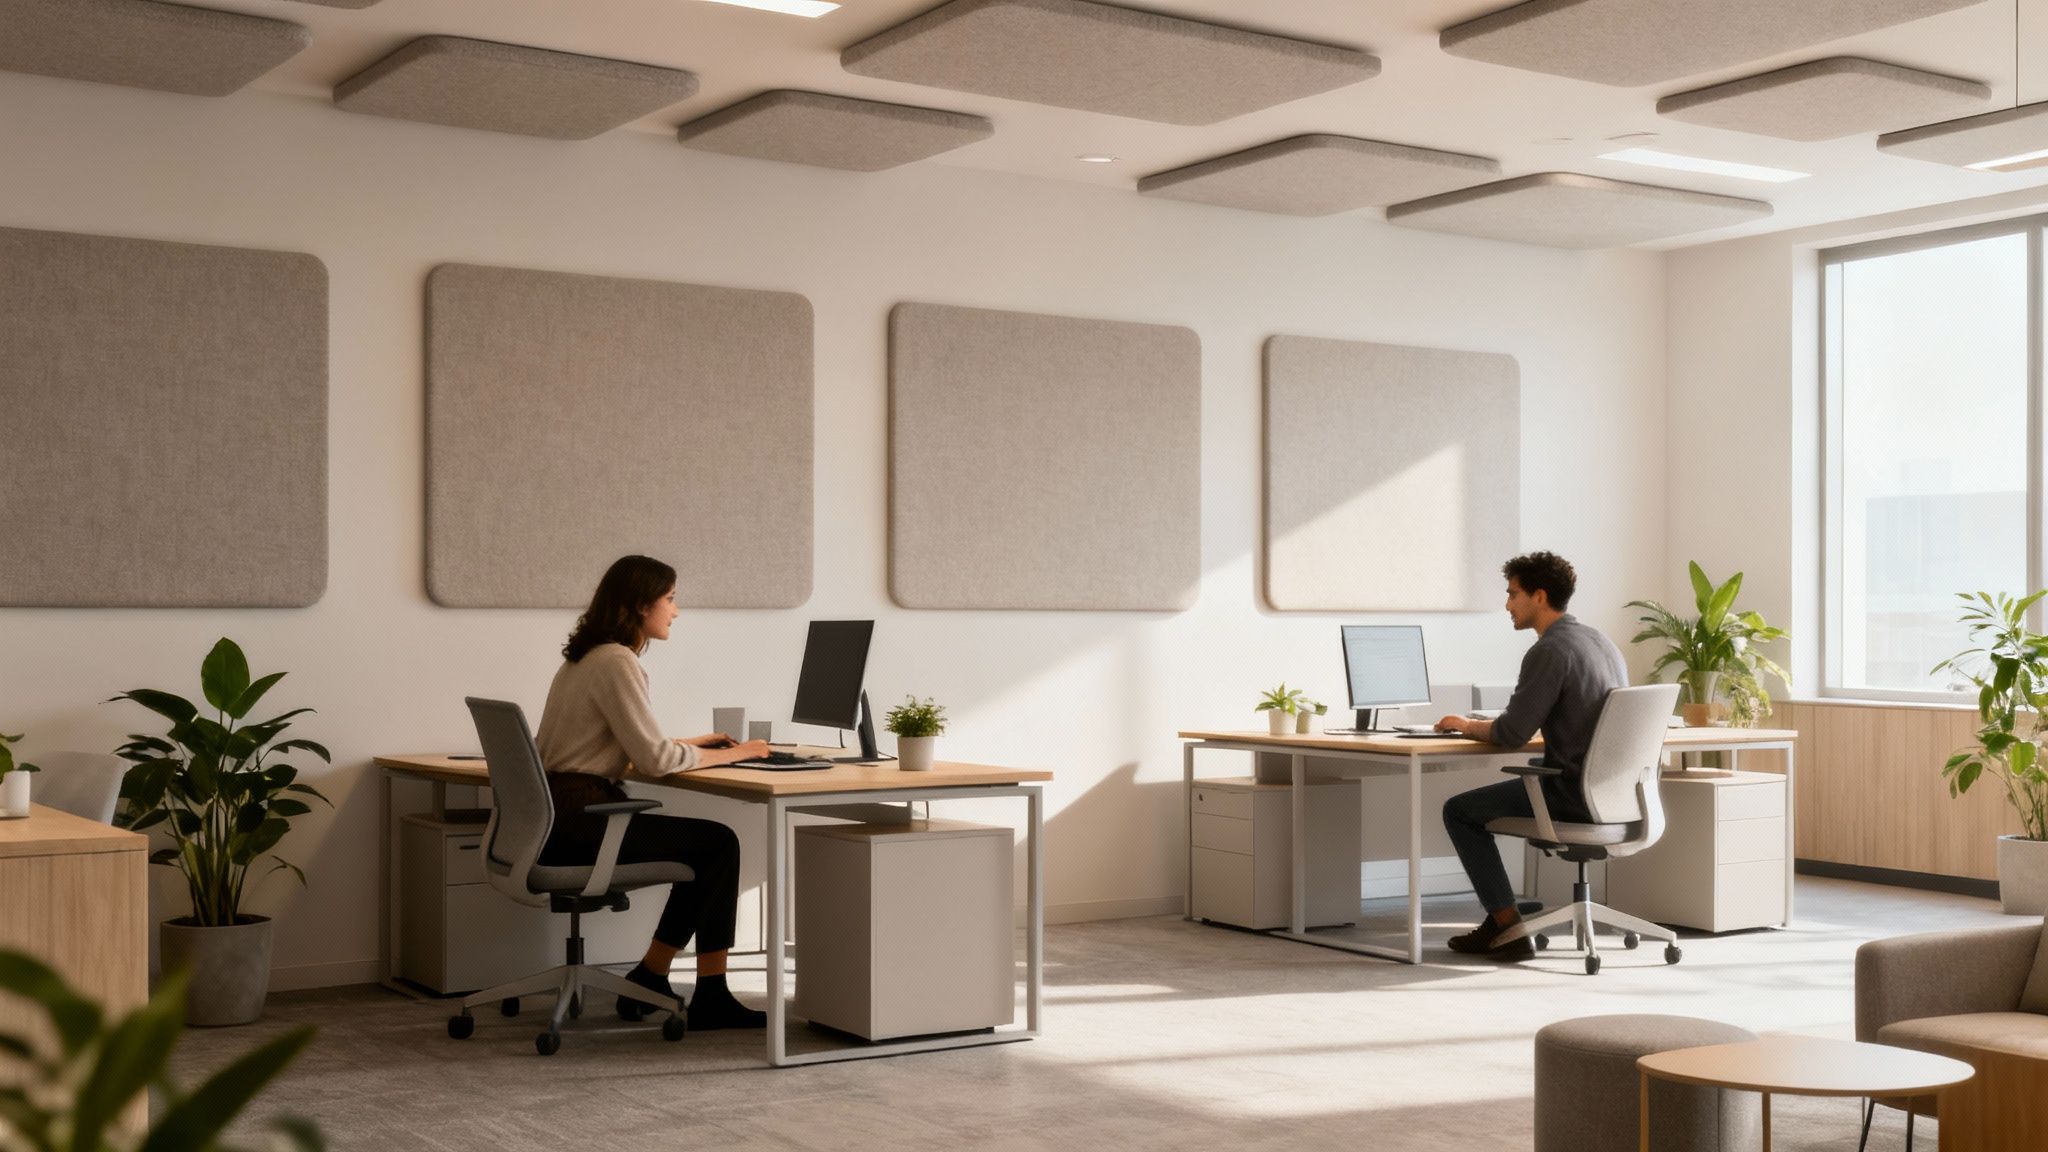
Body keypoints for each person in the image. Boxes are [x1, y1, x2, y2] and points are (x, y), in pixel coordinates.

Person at [535, 554, 773, 1028]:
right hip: (586, 821)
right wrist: (735, 753)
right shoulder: (617, 661)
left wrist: (689, 743)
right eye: (670, 598)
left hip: (558, 817)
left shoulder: (583, 658)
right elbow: (655, 761)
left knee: (710, 846)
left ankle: (653, 975)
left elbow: (614, 746)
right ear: (642, 605)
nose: (676, 611)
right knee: (718, 845)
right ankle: (704, 995)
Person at [1434, 551, 1627, 961]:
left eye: (1513, 594)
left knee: (1458, 811)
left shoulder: (1549, 651)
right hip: (1612, 793)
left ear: (1539, 596)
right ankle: (1504, 915)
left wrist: (1466, 725)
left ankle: (1507, 927)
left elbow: (1510, 733)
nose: (1507, 604)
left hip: (1572, 795)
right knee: (1535, 768)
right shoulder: (1601, 642)